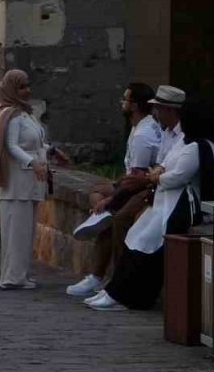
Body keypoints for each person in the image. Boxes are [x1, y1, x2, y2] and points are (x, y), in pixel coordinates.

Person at [90, 96, 214, 311]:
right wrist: (158, 173)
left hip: (178, 207)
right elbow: (165, 164)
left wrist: (155, 177)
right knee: (134, 238)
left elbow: (177, 176)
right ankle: (115, 291)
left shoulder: (200, 147)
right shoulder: (184, 141)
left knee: (147, 245)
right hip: (163, 203)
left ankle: (129, 296)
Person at [66, 83, 162, 298]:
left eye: (125, 99)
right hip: (133, 182)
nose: (122, 103)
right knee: (96, 193)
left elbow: (135, 180)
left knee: (115, 219)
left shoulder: (143, 135)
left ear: (134, 105)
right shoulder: (140, 127)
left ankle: (112, 279)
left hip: (143, 188)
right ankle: (98, 272)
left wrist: (110, 201)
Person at [0, 70, 69, 290]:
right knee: (16, 230)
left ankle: (21, 274)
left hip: (30, 181)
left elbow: (32, 143)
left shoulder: (26, 113)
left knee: (26, 231)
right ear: (11, 90)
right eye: (21, 87)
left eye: (27, 85)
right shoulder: (11, 114)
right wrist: (33, 163)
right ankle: (12, 277)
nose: (26, 90)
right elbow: (12, 145)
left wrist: (51, 151)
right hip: (16, 182)